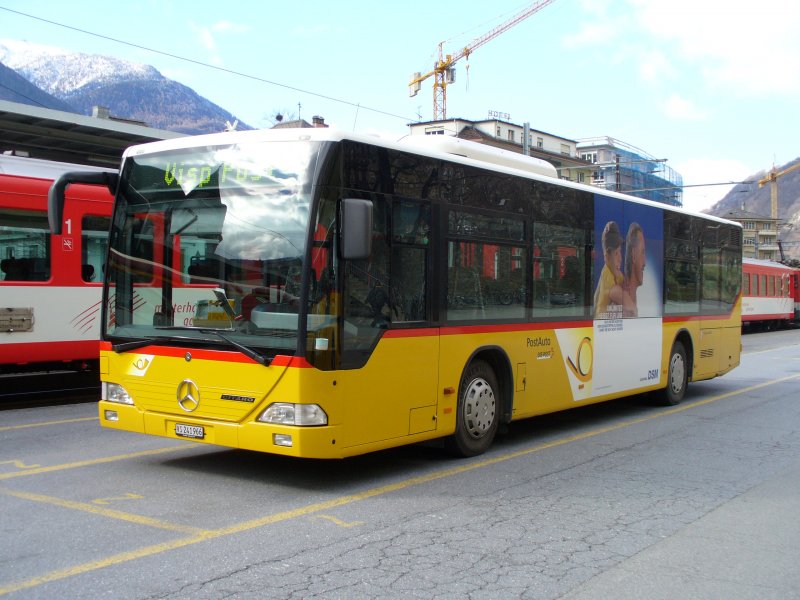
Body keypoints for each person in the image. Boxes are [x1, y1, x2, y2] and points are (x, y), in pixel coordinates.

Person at [593, 220, 624, 318]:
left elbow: (622, 279)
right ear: (606, 257)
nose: (620, 259)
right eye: (616, 253)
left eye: (620, 252)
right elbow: (598, 314)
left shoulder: (615, 273)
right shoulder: (607, 275)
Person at [621, 222, 646, 317]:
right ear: (634, 254)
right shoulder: (623, 296)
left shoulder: (631, 297)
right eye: (643, 252)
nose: (645, 262)